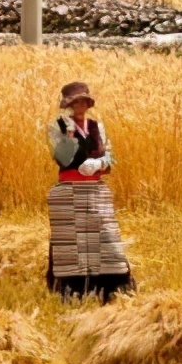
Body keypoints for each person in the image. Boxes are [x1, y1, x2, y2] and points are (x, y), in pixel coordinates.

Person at [46, 82, 134, 302]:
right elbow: (62, 158)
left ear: (88, 103)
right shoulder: (56, 126)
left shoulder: (97, 126)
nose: (80, 105)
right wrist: (68, 134)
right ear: (68, 105)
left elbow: (111, 156)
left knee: (104, 235)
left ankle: (110, 287)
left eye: (83, 101)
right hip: (68, 190)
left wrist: (99, 163)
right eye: (75, 102)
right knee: (70, 240)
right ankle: (71, 289)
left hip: (95, 188)